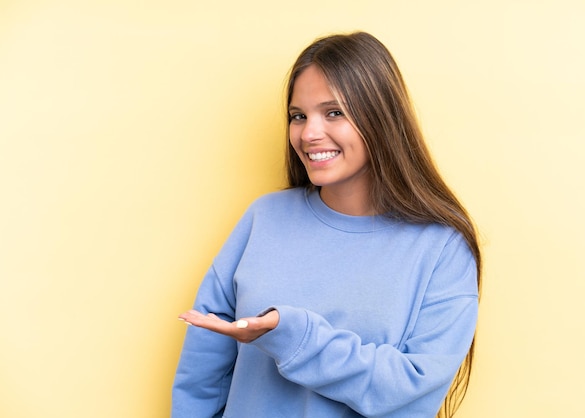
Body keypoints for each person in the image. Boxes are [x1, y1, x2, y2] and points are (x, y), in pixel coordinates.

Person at [172, 31, 481, 418]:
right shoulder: (264, 218)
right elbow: (202, 373)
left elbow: (412, 389)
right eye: (298, 116)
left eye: (334, 112)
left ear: (381, 117)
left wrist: (293, 335)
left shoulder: (441, 247)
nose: (308, 133)